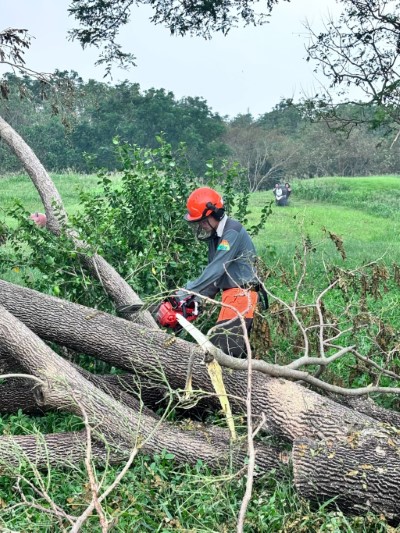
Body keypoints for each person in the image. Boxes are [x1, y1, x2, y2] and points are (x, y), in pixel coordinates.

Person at [178, 186, 260, 358]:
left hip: (242, 296)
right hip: (230, 297)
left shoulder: (231, 232)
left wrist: (187, 291)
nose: (200, 224)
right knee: (231, 356)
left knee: (222, 354)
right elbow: (215, 280)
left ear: (215, 213)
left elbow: (216, 270)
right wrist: (193, 300)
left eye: (202, 220)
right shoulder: (216, 237)